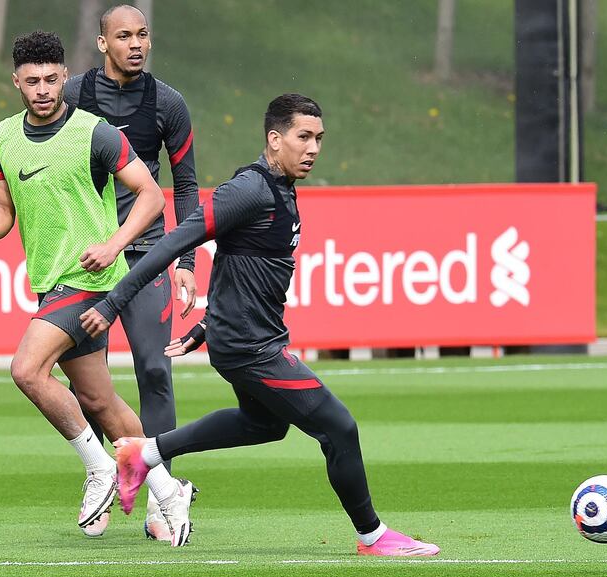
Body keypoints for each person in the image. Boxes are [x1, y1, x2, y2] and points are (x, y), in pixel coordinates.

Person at [80, 94, 441, 556]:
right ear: (275, 139)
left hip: (245, 336)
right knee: (339, 429)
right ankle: (373, 537)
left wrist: (208, 325)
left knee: (264, 425)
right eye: (303, 137)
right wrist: (113, 304)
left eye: (319, 139)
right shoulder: (248, 190)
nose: (312, 148)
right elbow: (173, 242)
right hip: (251, 347)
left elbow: (240, 265)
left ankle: (143, 454)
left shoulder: (281, 187)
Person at [0, 30, 196, 546]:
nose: (43, 89)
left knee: (26, 369)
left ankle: (99, 468)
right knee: (98, 399)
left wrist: (114, 244)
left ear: (65, 77)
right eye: (32, 81)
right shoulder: (3, 137)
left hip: (91, 280)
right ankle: (166, 489)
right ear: (17, 83)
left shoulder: (96, 132)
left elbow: (152, 196)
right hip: (51, 283)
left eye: (51, 79)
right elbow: (5, 212)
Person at [63, 4, 200, 542]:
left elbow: (186, 186)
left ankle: (163, 503)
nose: (136, 44)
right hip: (89, 259)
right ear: (102, 43)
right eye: (124, 36)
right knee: (89, 387)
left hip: (147, 256)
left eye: (143, 34)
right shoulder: (71, 96)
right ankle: (104, 473)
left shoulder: (168, 103)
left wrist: (186, 262)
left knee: (154, 370)